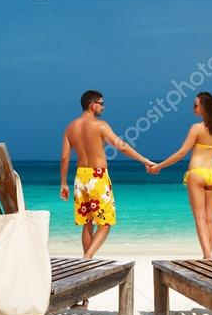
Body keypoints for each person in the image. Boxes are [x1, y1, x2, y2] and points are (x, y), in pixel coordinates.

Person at [60, 90, 154, 263]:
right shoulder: (100, 125)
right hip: (97, 176)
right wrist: (145, 160)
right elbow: (122, 146)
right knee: (105, 222)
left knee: (87, 222)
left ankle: (86, 263)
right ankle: (87, 257)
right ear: (92, 104)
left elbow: (65, 157)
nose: (104, 107)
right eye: (101, 103)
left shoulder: (70, 128)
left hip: (80, 177)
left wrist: (63, 183)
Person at [147, 92, 212, 259]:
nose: (193, 108)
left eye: (196, 105)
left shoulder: (196, 128)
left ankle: (207, 256)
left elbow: (181, 153)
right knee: (209, 219)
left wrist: (159, 166)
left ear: (205, 107)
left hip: (197, 173)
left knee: (199, 218)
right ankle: (209, 254)